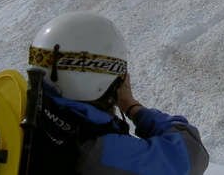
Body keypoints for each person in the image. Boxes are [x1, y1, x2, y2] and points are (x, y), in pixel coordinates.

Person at [27, 11, 209, 174]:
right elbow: (191, 155)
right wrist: (132, 106)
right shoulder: (92, 146)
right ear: (100, 78)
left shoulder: (26, 114)